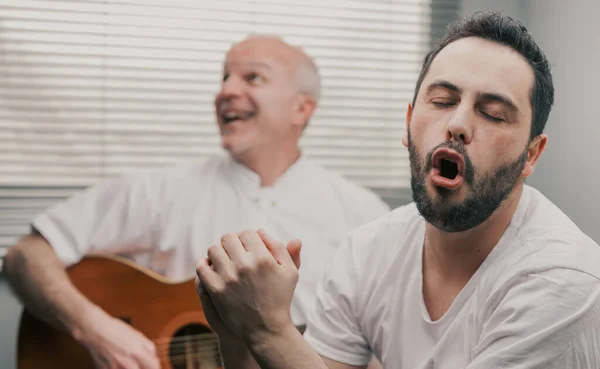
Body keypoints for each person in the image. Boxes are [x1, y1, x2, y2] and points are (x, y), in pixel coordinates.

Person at [195, 11, 600, 369]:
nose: (457, 123)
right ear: (408, 123)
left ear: (532, 154)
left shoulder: (561, 282)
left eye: (492, 113)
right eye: (442, 100)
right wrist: (238, 333)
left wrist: (270, 331)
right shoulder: (368, 251)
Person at [3, 35, 390, 369]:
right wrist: (95, 329)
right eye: (224, 77)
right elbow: (26, 255)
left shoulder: (366, 219)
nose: (225, 91)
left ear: (301, 109)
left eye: (252, 77)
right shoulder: (159, 190)